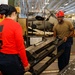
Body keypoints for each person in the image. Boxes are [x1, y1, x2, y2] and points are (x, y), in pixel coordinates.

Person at [0, 4, 30, 75]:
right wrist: (25, 64)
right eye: (17, 15)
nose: (16, 17)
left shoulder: (1, 25)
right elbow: (20, 47)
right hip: (12, 60)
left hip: (1, 58)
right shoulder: (16, 25)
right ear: (13, 13)